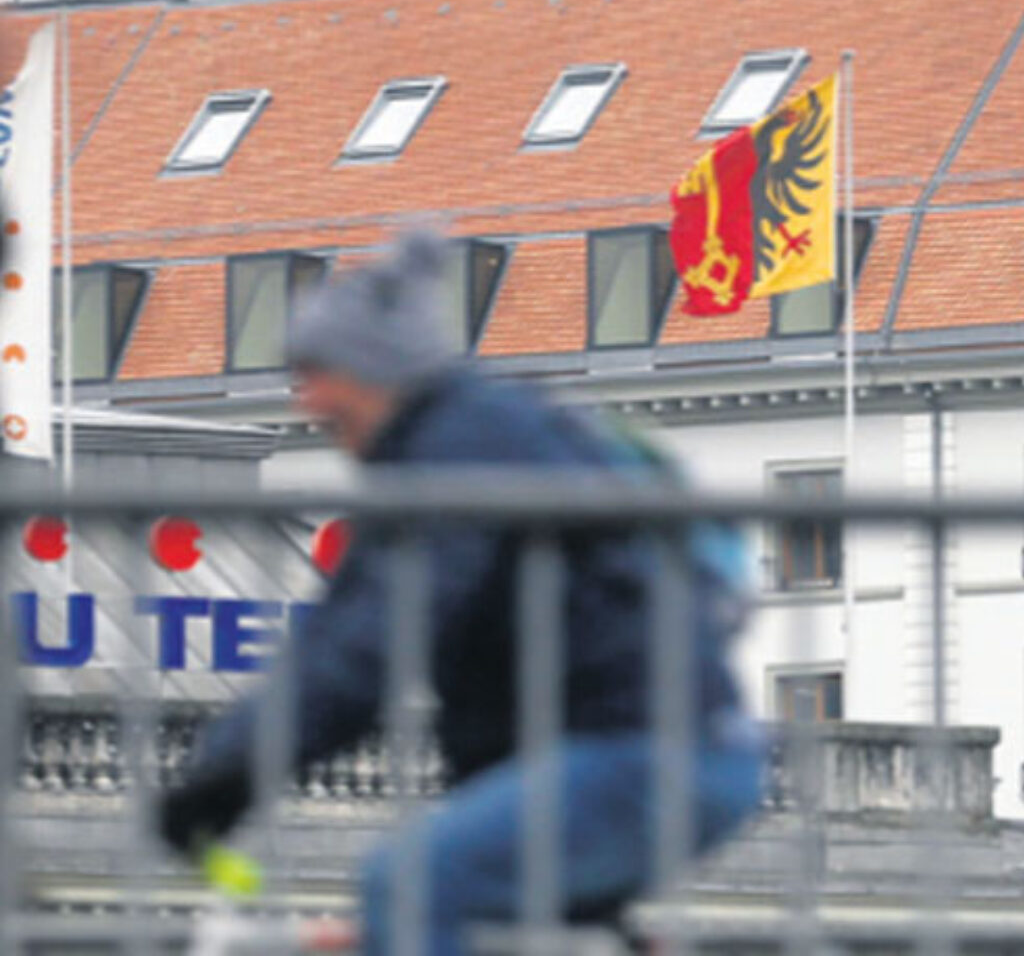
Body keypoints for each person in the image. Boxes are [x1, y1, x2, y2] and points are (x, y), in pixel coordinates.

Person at [157, 232, 764, 955]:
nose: (304, 400)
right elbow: (348, 634)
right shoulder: (468, 440)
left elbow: (367, 642)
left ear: (376, 368)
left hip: (640, 755)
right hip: (673, 751)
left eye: (316, 372)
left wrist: (229, 775)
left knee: (409, 886)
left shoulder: (456, 454)